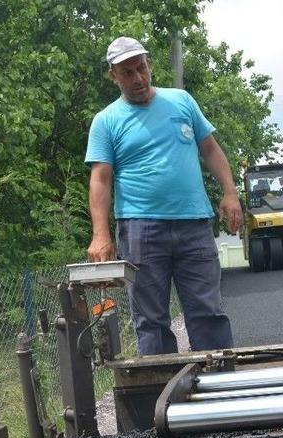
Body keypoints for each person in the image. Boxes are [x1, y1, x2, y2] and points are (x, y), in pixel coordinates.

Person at [84, 37, 242, 356]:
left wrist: (230, 193)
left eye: (141, 68)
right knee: (151, 320)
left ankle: (220, 390)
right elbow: (100, 178)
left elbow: (210, 148)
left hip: (194, 224)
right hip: (140, 230)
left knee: (208, 311)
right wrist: (100, 235)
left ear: (150, 65)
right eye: (127, 72)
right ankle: (160, 397)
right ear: (114, 76)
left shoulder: (181, 101)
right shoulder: (107, 121)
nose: (138, 78)